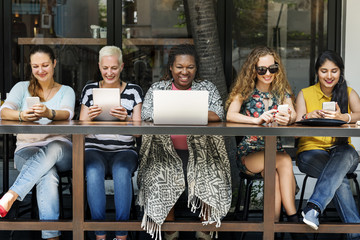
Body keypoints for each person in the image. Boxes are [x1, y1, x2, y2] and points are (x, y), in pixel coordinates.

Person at [138, 44, 232, 240]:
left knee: (213, 172)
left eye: (190, 67)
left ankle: (205, 231)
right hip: (164, 151)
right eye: (179, 66)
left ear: (196, 68)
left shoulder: (207, 87)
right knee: (160, 173)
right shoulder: (158, 88)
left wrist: (175, 111)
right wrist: (193, 111)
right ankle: (171, 231)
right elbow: (147, 114)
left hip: (201, 151)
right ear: (171, 68)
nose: (184, 71)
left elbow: (218, 115)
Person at [226, 46, 305, 239]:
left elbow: (293, 113)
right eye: (262, 69)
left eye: (272, 68)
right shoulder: (244, 90)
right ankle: (294, 221)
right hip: (250, 152)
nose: (267, 73)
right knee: (284, 161)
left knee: (276, 175)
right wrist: (255, 120)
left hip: (273, 151)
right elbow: (230, 115)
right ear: (253, 69)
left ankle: (273, 230)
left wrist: (289, 118)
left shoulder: (282, 90)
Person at [0, 45, 75, 240]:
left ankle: (12, 194)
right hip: (28, 149)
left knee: (54, 146)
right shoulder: (21, 88)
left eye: (45, 65)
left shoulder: (66, 90)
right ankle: (52, 237)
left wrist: (49, 113)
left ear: (54, 64)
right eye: (35, 66)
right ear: (30, 67)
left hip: (62, 151)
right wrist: (22, 115)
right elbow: (4, 111)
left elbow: (67, 113)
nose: (40, 70)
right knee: (47, 175)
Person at [79, 45, 143, 240]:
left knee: (122, 172)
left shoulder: (133, 91)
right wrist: (89, 116)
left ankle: (121, 235)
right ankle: (100, 234)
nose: (109, 72)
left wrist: (127, 119)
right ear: (99, 67)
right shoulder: (90, 89)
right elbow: (82, 129)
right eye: (105, 68)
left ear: (121, 66)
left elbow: (139, 133)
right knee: (92, 172)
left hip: (124, 150)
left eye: (114, 68)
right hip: (94, 149)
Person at [296, 50, 360, 239]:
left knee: (346, 154)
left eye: (334, 70)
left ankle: (314, 207)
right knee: (338, 179)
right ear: (317, 72)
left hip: (343, 153)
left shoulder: (348, 93)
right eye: (324, 71)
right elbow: (297, 119)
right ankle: (355, 234)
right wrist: (309, 116)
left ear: (340, 72)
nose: (329, 76)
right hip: (311, 153)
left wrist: (344, 117)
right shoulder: (305, 94)